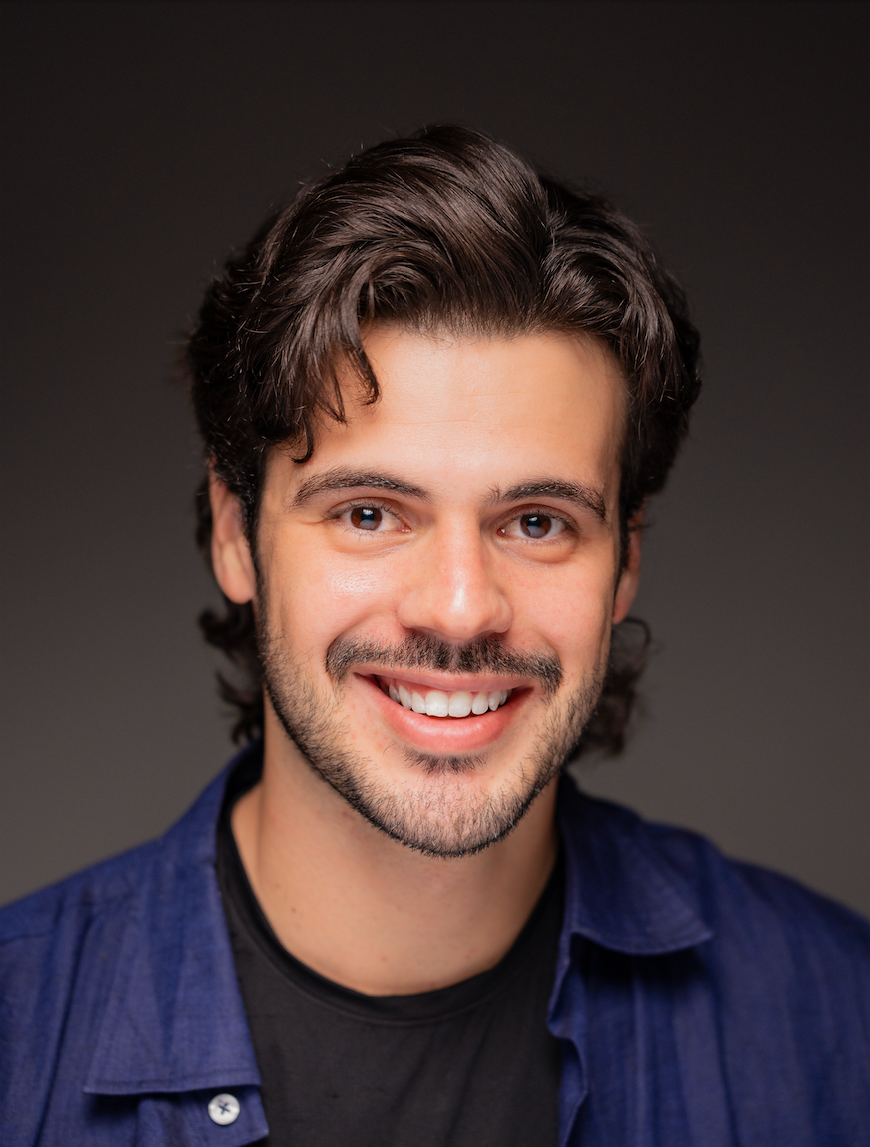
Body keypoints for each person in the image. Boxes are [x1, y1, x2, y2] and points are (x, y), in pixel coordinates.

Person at [1, 125, 867, 1147]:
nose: (460, 609)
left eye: (536, 522)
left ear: (625, 560)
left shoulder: (833, 1018)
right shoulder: (20, 1036)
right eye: (370, 513)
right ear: (235, 534)